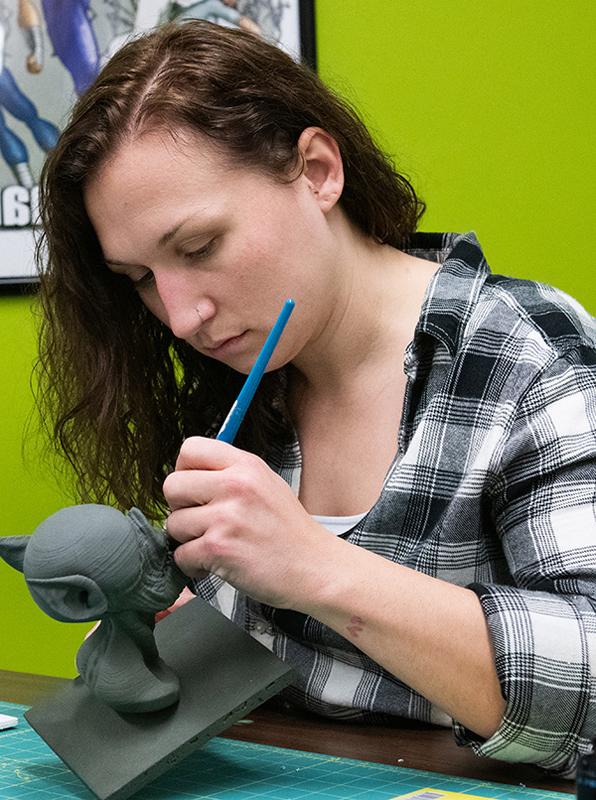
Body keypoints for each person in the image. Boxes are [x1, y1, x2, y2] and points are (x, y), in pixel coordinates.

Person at [34, 19, 596, 777]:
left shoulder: (526, 353)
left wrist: (315, 567)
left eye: (198, 247)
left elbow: (589, 680)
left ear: (318, 169)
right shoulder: (234, 382)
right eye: (139, 278)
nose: (181, 314)